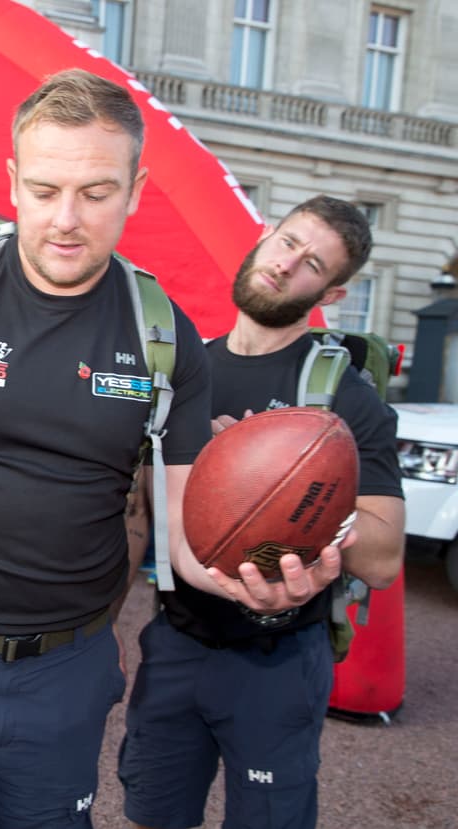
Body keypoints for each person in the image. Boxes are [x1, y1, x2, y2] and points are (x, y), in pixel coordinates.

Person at [0, 68, 317, 828]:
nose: (67, 219)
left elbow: (185, 535)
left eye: (97, 192)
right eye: (44, 190)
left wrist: (258, 581)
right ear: (12, 180)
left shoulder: (164, 336)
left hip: (67, 671)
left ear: (136, 189)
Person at [117, 195, 406, 829]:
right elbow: (142, 512)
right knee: (151, 814)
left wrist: (291, 495)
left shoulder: (340, 397)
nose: (285, 266)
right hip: (176, 640)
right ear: (264, 237)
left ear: (331, 293)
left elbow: (384, 560)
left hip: (277, 659)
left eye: (311, 264)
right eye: (286, 242)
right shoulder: (187, 370)